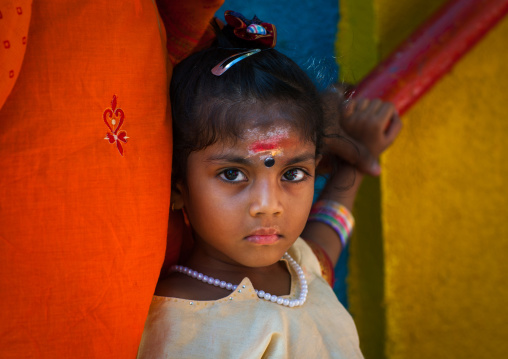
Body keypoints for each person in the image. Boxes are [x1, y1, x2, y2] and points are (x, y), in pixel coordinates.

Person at [137, 11, 401, 358]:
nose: (269, 204)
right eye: (233, 174)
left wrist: (358, 162)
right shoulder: (183, 324)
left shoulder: (300, 268)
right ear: (177, 186)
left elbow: (328, 233)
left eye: (292, 174)